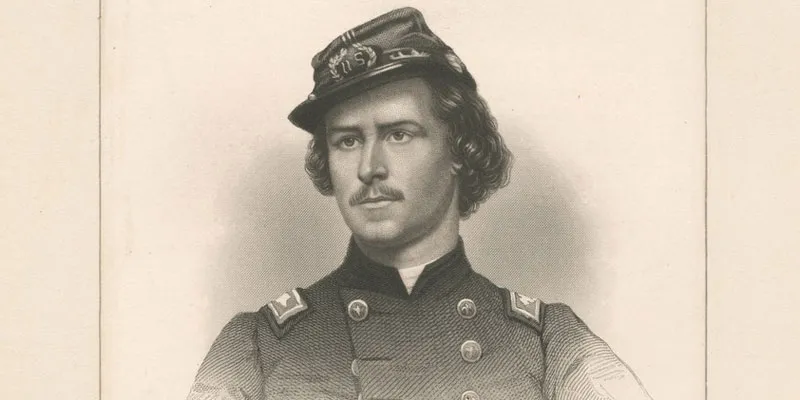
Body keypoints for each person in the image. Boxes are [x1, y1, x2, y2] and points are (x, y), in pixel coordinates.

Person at [188, 7, 651, 400]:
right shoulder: (256, 346)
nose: (370, 167)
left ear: (459, 149)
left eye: (398, 134)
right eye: (348, 140)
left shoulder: (552, 345)